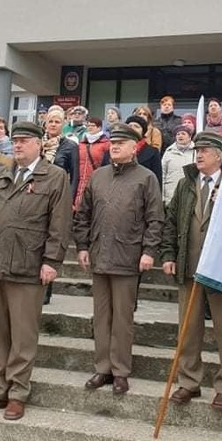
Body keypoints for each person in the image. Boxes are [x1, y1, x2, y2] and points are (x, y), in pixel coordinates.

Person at [0, 122, 72, 421]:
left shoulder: (54, 177)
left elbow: (60, 223)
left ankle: (17, 394)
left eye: (25, 141)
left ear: (39, 144)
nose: (18, 145)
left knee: (23, 337)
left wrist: (52, 261)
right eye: (17, 141)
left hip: (28, 267)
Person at [73, 123, 164, 396]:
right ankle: (103, 368)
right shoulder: (98, 176)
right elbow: (83, 215)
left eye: (121, 143)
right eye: (113, 142)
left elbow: (155, 219)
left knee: (123, 319)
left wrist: (149, 251)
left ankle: (121, 371)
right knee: (101, 317)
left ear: (134, 146)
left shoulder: (146, 178)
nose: (114, 146)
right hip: (99, 256)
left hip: (128, 257)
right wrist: (82, 245)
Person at [160, 132, 222, 411]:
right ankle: (189, 382)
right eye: (198, 150)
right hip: (189, 268)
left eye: (205, 150)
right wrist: (168, 254)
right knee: (188, 330)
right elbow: (170, 222)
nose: (199, 154)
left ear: (219, 156)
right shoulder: (186, 184)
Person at [41, 107, 79, 305]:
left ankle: (47, 290)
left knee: (52, 240)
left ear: (63, 124)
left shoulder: (70, 146)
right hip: (37, 197)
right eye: (50, 121)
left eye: (57, 121)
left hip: (58, 197)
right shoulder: (38, 144)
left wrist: (70, 201)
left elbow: (75, 175)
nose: (53, 124)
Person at [109, 115, 162, 187]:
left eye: (136, 126)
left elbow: (157, 180)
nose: (132, 128)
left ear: (143, 131)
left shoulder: (152, 152)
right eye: (130, 125)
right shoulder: (113, 150)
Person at [73, 116, 110, 209]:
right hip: (80, 179)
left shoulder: (106, 144)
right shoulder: (81, 143)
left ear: (99, 127)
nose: (90, 127)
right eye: (88, 125)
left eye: (93, 125)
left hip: (96, 178)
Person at [161, 123, 195, 206]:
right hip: (171, 194)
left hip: (190, 195)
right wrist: (162, 197)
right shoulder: (168, 152)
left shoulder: (196, 151)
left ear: (190, 137)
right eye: (178, 134)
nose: (180, 136)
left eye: (183, 134)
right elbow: (162, 174)